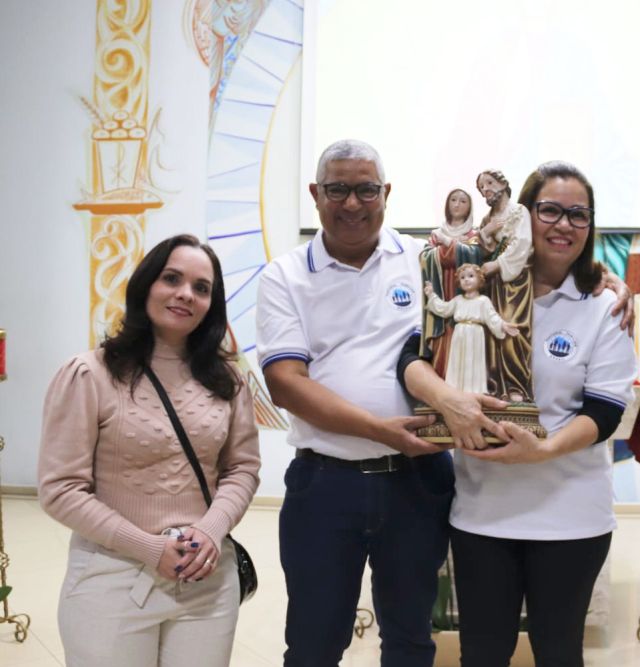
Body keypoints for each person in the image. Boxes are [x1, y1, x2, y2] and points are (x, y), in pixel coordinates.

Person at [400, 161, 637, 666]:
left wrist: (543, 450)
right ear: (525, 215)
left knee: (558, 654)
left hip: (571, 518)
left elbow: (605, 411)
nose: (564, 224)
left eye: (578, 214)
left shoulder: (605, 305)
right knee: (482, 655)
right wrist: (447, 401)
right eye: (550, 210)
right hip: (483, 514)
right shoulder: (481, 285)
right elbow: (413, 356)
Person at [255, 139, 456, 666]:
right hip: (325, 485)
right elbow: (285, 384)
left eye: (366, 190)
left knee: (411, 639)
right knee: (314, 644)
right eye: (338, 189)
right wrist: (380, 430)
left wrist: (601, 282)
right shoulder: (286, 275)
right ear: (315, 194)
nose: (352, 203)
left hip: (417, 483)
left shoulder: (426, 261)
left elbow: (509, 283)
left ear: (386, 193)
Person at [38, 234, 262, 667]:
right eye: (172, 279)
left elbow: (242, 468)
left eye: (201, 288)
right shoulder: (89, 374)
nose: (186, 294)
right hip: (111, 576)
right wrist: (148, 547)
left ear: (211, 304)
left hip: (206, 577)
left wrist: (211, 530)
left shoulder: (227, 381)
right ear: (145, 286)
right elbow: (61, 489)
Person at [476, 169, 535, 403]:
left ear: (502, 184)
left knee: (513, 329)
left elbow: (523, 243)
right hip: (493, 285)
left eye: (489, 183)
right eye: (482, 187)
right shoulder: (487, 219)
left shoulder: (519, 211)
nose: (486, 189)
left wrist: (498, 264)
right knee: (492, 332)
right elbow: (484, 251)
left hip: (515, 282)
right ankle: (495, 385)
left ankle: (516, 385)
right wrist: (485, 234)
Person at [423, 263, 520, 394]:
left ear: (479, 279)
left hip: (475, 334)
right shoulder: (458, 300)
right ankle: (454, 388)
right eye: (462, 277)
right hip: (459, 334)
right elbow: (444, 309)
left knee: (473, 362)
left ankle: (474, 390)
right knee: (457, 360)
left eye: (470, 276)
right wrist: (431, 295)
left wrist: (503, 325)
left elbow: (492, 317)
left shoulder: (483, 301)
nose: (466, 280)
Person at [422, 188, 481, 378]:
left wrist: (448, 244)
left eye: (463, 201)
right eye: (453, 200)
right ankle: (440, 376)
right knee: (442, 334)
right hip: (440, 288)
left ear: (469, 207)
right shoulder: (436, 234)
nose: (457, 204)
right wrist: (453, 247)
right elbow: (425, 257)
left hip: (461, 291)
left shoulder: (473, 234)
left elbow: (474, 257)